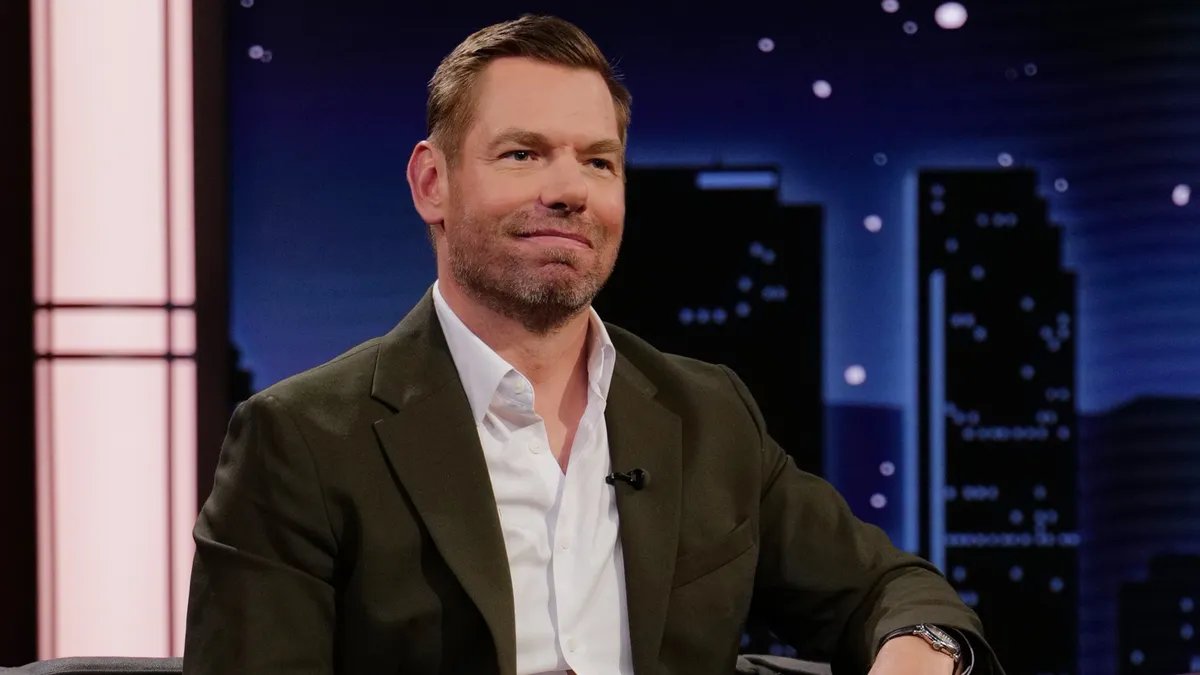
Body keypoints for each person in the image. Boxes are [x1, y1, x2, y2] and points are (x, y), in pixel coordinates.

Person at [184, 14, 1003, 675]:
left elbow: (892, 588)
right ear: (432, 183)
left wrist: (919, 651)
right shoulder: (300, 442)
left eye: (598, 162)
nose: (569, 190)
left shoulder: (706, 413)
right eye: (523, 153)